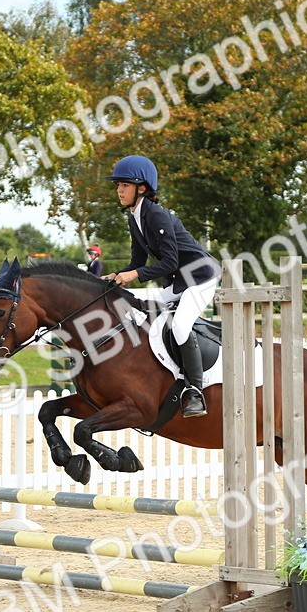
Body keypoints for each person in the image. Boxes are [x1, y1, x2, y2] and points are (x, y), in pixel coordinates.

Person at [102, 155, 220, 418]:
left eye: (124, 184)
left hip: (202, 276)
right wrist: (114, 276)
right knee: (144, 315)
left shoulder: (157, 215)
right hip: (179, 281)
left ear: (141, 188)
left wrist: (133, 275)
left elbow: (170, 261)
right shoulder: (134, 218)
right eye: (118, 185)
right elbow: (137, 262)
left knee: (179, 325)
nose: (119, 189)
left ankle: (195, 390)